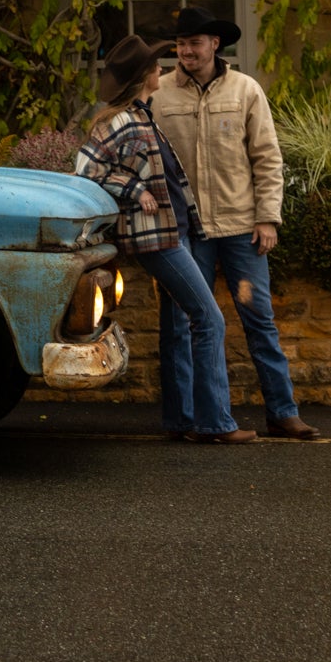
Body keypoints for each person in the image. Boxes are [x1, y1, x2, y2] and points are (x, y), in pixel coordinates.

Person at [73, 34, 254, 444]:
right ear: (144, 76)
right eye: (156, 66)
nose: (163, 70)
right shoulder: (117, 121)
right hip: (158, 240)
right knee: (208, 319)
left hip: (176, 232)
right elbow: (85, 169)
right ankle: (216, 424)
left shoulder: (141, 114)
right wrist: (135, 190)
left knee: (181, 322)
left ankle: (182, 420)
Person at [150, 7, 319, 440]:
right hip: (186, 234)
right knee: (181, 327)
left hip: (242, 230)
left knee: (259, 320)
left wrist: (268, 218)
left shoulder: (246, 90)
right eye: (182, 43)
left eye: (195, 42)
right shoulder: (159, 96)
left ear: (214, 45)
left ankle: (282, 412)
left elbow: (267, 157)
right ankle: (184, 420)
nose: (187, 50)